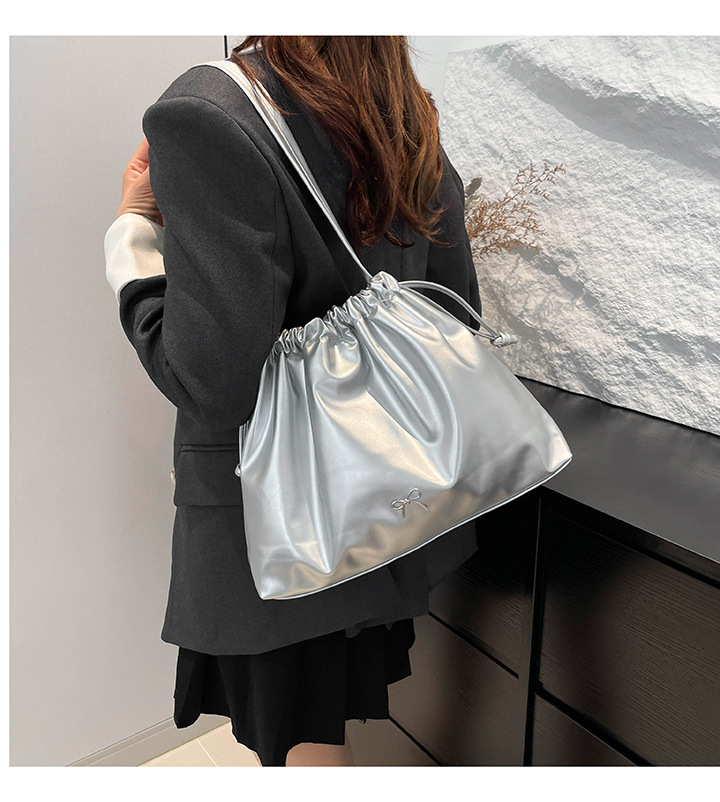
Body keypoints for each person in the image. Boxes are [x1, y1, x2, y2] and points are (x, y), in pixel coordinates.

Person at [104, 35, 483, 767]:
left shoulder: (208, 111)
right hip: (393, 503)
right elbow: (454, 313)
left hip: (279, 526)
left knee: (304, 751)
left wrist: (132, 238)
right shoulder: (402, 113)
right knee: (322, 735)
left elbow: (208, 383)